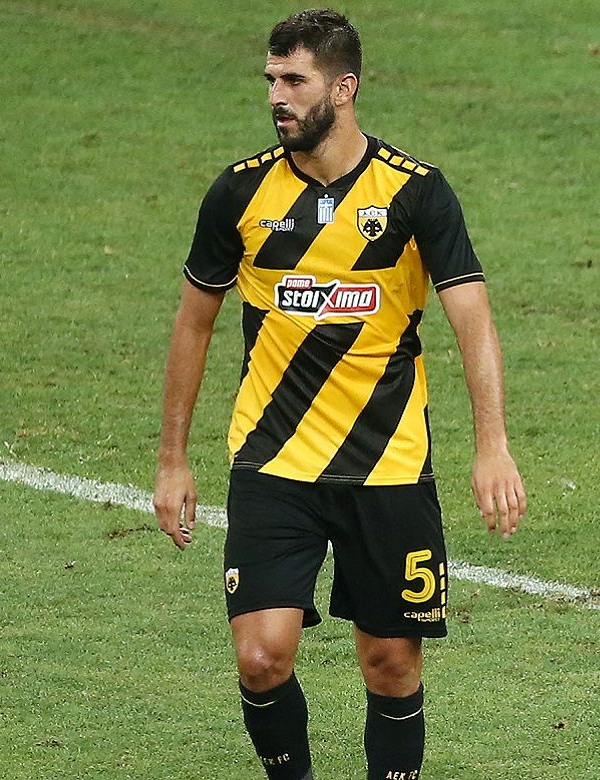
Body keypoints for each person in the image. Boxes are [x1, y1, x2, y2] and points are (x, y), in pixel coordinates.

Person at [152, 9, 527, 779]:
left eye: (295, 81)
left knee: (391, 663)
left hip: (387, 466)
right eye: (271, 80)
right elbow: (193, 324)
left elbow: (473, 319)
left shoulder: (416, 193)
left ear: (344, 88)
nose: (276, 97)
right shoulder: (240, 193)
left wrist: (492, 444)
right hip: (273, 461)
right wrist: (172, 458)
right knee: (261, 656)